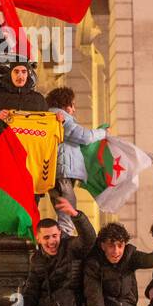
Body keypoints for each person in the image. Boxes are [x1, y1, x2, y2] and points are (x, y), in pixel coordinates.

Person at [44, 86, 108, 236]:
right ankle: (65, 240)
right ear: (66, 104)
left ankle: (63, 236)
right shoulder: (60, 117)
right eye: (73, 104)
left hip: (57, 170)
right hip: (62, 172)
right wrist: (103, 133)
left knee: (64, 208)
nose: (74, 109)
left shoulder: (51, 116)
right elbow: (84, 137)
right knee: (67, 208)